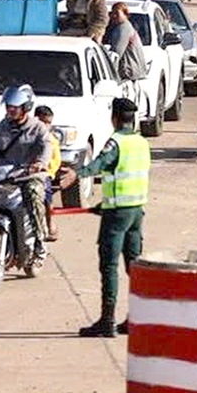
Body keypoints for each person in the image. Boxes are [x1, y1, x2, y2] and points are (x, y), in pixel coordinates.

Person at [59, 98, 149, 337]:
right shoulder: (141, 142)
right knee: (134, 267)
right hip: (136, 212)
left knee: (108, 266)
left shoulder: (116, 142)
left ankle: (107, 321)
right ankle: (137, 318)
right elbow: (128, 178)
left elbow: (99, 165)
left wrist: (75, 174)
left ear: (115, 118)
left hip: (117, 215)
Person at [0, 85, 51, 257]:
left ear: (26, 107)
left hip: (29, 175)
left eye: (15, 107)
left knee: (34, 194)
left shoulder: (38, 128)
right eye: (8, 107)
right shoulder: (1, 128)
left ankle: (39, 241)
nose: (11, 110)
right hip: (4, 175)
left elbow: (46, 147)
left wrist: (40, 163)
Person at [33, 106, 62, 241]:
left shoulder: (51, 139)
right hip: (26, 172)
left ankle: (51, 224)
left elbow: (56, 158)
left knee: (47, 200)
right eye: (42, 122)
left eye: (48, 123)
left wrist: (49, 171)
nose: (46, 126)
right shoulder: (28, 136)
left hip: (45, 174)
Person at [105, 2, 147, 86]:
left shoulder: (123, 28)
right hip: (134, 73)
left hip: (128, 74)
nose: (113, 16)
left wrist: (111, 76)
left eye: (117, 13)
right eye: (112, 13)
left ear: (125, 14)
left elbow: (116, 54)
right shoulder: (124, 27)